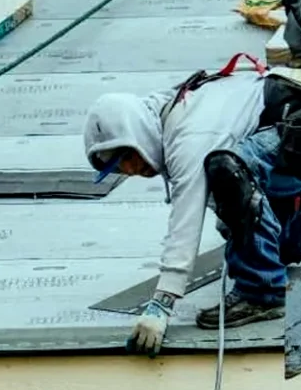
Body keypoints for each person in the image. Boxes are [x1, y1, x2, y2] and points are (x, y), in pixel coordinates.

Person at [83, 60, 276, 357]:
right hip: (296, 143)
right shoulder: (175, 114)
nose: (132, 171)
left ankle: (263, 295)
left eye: (128, 158)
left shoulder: (189, 135)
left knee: (226, 172)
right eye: (121, 169)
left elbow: (187, 217)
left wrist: (162, 302)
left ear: (137, 133)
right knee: (234, 221)